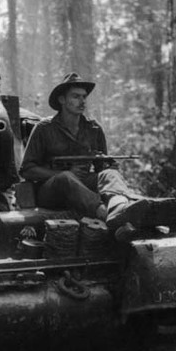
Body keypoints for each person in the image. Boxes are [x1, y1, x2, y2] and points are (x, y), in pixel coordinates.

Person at [20, 72, 160, 240]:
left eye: (84, 97)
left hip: (83, 187)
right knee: (65, 178)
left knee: (110, 175)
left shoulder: (93, 129)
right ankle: (106, 216)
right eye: (76, 96)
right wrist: (60, 174)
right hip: (51, 192)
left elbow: (102, 168)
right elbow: (27, 169)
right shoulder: (44, 128)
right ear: (62, 100)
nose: (82, 101)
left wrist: (109, 166)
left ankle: (120, 208)